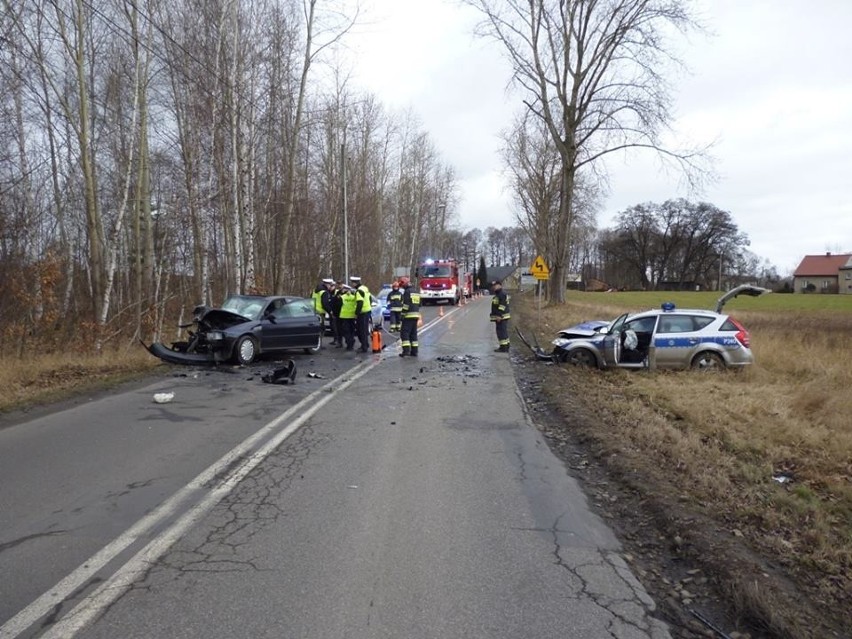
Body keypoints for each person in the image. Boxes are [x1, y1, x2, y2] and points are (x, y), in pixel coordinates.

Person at [398, 277, 421, 357]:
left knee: (404, 334)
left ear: (404, 283)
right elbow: (419, 304)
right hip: (415, 315)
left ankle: (406, 351)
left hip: (408, 316)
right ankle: (414, 351)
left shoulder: (407, 292)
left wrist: (402, 315)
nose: (402, 287)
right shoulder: (416, 291)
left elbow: (406, 305)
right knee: (413, 334)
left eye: (402, 285)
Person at [351, 275, 372, 353]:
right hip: (367, 311)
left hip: (362, 313)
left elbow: (359, 303)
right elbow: (370, 299)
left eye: (352, 283)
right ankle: (365, 344)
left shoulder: (359, 291)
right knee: (364, 330)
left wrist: (356, 313)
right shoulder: (365, 288)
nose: (352, 284)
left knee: (361, 330)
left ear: (355, 283)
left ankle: (364, 347)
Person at [489, 280, 511, 352]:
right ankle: (506, 345)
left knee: (501, 332)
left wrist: (499, 315)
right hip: (502, 316)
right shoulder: (499, 294)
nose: (494, 287)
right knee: (503, 331)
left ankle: (503, 347)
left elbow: (502, 306)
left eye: (495, 285)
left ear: (499, 285)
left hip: (502, 317)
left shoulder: (501, 294)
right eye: (493, 286)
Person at [338, 284, 358, 350]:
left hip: (344, 317)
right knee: (352, 331)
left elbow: (338, 306)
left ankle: (349, 344)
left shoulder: (342, 297)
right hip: (352, 316)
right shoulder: (354, 297)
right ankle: (351, 342)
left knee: (346, 332)